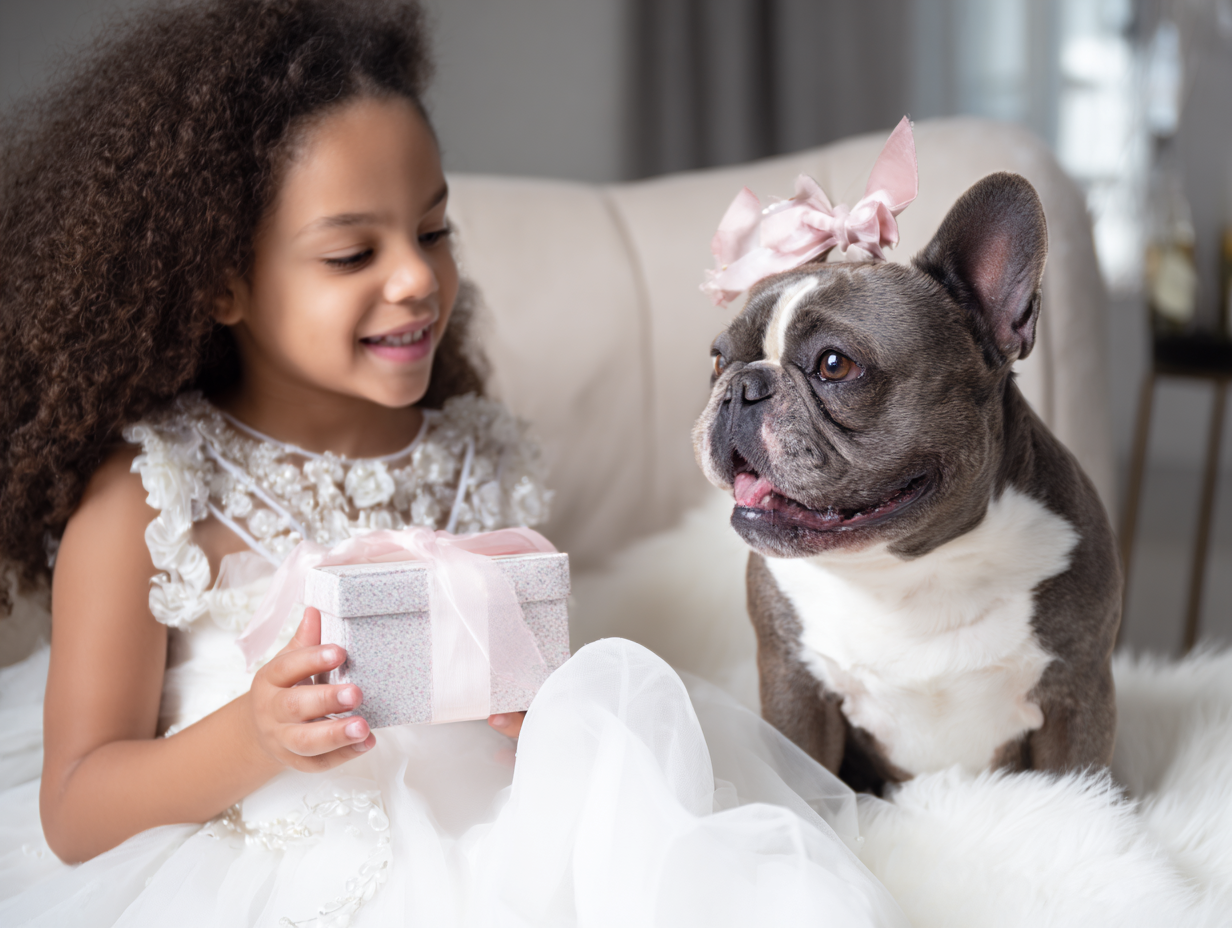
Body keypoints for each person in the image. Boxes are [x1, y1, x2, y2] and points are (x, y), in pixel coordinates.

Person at [0, 1, 906, 924]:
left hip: (499, 858)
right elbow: (76, 810)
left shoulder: (484, 459)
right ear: (221, 279)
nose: (417, 279)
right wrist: (255, 735)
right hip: (252, 875)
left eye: (433, 232)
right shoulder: (150, 496)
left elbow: (519, 704)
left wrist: (541, 716)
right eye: (353, 251)